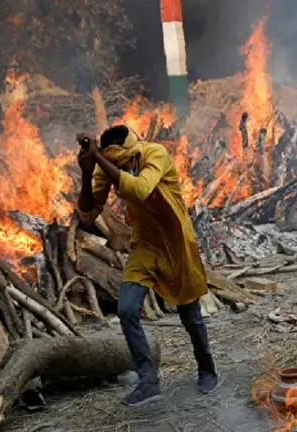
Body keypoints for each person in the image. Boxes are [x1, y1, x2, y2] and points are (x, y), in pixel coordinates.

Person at [76, 125, 218, 407]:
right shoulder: (108, 165)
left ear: (131, 151)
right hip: (145, 244)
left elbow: (140, 189)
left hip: (176, 242)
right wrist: (87, 169)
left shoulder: (155, 153)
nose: (119, 168)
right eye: (114, 164)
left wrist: (100, 159)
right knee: (127, 309)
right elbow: (89, 213)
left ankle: (206, 368)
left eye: (123, 163)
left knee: (190, 316)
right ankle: (148, 381)